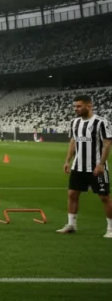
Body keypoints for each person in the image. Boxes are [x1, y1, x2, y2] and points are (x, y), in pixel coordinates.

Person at [57, 95, 112, 238]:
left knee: (104, 197)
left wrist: (101, 164)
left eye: (79, 106)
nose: (76, 109)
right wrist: (67, 160)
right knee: (72, 194)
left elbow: (107, 144)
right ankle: (71, 225)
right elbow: (73, 141)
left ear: (89, 106)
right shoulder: (74, 122)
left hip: (96, 168)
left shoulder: (101, 122)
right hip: (78, 166)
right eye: (74, 106)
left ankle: (111, 229)